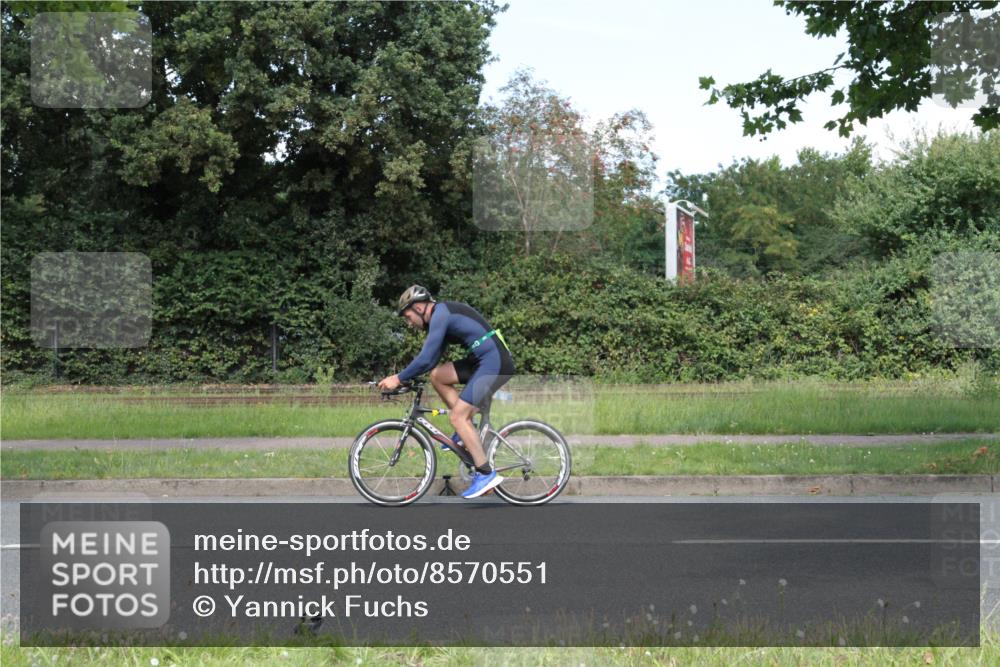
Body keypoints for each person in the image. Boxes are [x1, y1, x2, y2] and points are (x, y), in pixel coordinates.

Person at [377, 285, 515, 499]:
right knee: (437, 375)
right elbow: (430, 361)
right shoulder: (438, 320)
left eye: (408, 316)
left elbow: (424, 358)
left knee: (458, 416)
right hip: (481, 361)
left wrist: (398, 378)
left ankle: (486, 474)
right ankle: (465, 429)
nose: (408, 323)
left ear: (420, 307)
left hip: (493, 361)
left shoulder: (441, 313)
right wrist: (407, 378)